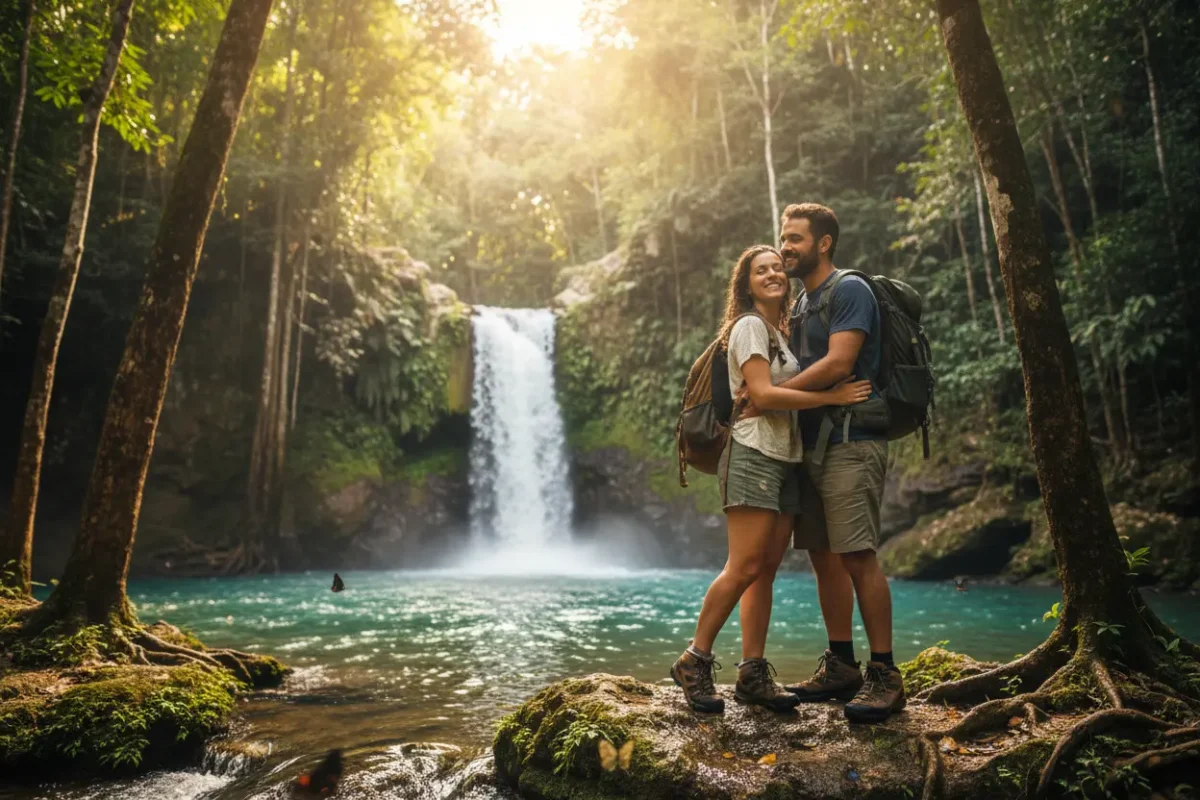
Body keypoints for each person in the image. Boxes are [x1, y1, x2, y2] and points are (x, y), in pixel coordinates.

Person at [670, 245, 872, 714]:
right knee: (742, 566)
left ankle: (752, 674)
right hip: (752, 454)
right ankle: (694, 660)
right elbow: (761, 394)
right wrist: (832, 396)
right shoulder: (747, 327)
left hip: (784, 459)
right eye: (761, 270)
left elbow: (774, 392)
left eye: (778, 268)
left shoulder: (781, 333)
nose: (773, 274)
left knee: (764, 571)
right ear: (746, 284)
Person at [741, 203, 905, 724]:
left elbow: (840, 363)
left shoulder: (849, 289)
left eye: (794, 239)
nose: (785, 247)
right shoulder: (803, 301)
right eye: (782, 239)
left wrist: (768, 393)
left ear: (824, 243)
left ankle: (885, 674)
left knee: (857, 555)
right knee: (823, 555)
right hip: (812, 445)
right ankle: (841, 664)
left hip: (852, 441)